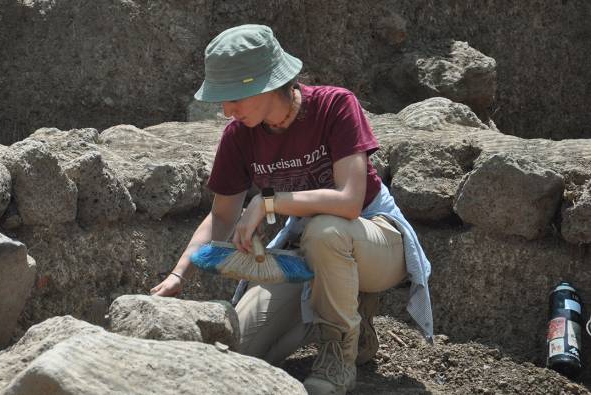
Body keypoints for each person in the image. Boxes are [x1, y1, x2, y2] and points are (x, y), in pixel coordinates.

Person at [150, 24, 433, 395]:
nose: (225, 109)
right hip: (307, 255)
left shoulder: (335, 105)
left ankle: (337, 354)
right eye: (222, 98)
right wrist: (178, 275)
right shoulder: (239, 136)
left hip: (375, 238)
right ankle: (354, 323)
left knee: (326, 231)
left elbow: (349, 201)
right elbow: (221, 216)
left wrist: (269, 202)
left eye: (234, 96)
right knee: (239, 352)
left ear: (268, 83)